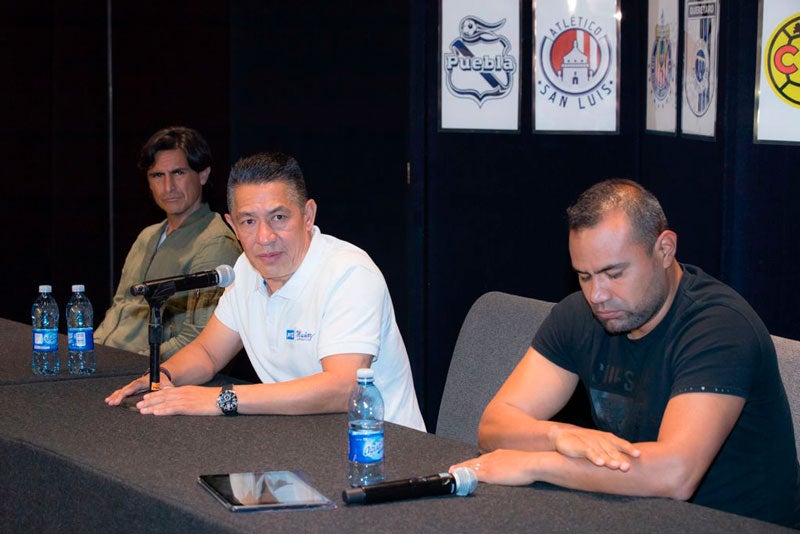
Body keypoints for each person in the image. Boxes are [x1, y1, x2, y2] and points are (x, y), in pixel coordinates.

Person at [451, 179, 800, 527]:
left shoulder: (719, 327)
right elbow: (495, 423)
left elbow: (675, 473)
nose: (597, 295)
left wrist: (535, 462)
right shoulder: (580, 315)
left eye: (613, 273)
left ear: (664, 250)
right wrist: (558, 436)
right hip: (635, 515)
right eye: (584, 276)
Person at [105, 152, 426, 431]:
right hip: (298, 436)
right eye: (248, 222)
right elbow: (208, 353)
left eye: (279, 217)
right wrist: (162, 375)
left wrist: (223, 398)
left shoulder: (349, 273)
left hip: (380, 445)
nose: (265, 237)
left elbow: (343, 387)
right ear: (232, 225)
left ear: (308, 214)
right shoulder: (246, 268)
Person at [94, 126, 242, 360]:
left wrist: (137, 363)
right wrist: (93, 349)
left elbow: (199, 338)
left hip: (148, 371)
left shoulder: (215, 242)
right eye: (157, 175)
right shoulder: (148, 235)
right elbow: (120, 306)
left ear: (203, 175)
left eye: (179, 173)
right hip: (109, 359)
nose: (168, 187)